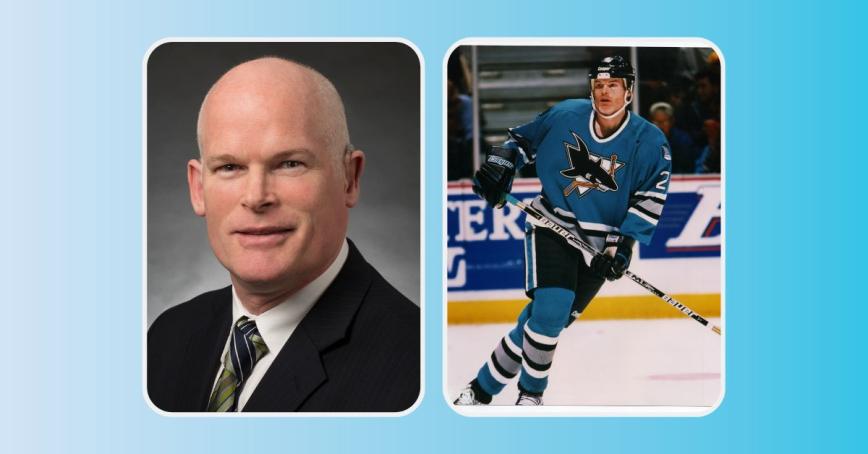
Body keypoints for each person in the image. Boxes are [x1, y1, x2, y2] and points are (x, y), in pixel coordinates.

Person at [147, 57, 419, 412]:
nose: (257, 197)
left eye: (290, 163)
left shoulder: (412, 367)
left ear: (349, 178)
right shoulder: (166, 338)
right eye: (229, 167)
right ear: (198, 188)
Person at [455, 56, 672, 406]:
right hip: (551, 224)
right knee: (552, 309)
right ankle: (530, 398)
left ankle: (478, 393)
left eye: (613, 85)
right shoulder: (567, 115)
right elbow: (520, 144)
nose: (604, 92)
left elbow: (648, 200)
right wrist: (501, 165)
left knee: (539, 325)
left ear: (628, 91)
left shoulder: (650, 143)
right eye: (599, 85)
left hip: (600, 247)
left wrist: (621, 249)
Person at [649, 101, 697, 174]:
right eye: (657, 122)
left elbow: (687, 167)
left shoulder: (683, 140)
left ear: (672, 121)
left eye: (664, 122)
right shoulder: (645, 141)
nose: (661, 126)